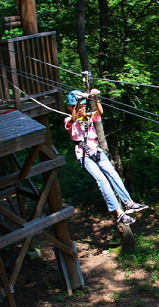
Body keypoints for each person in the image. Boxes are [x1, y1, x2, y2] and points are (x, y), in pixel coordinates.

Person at [64, 89, 148, 225]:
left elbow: (99, 113)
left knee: (113, 175)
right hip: (84, 155)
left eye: (83, 107)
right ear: (70, 108)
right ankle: (119, 213)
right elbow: (73, 119)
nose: (81, 109)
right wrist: (79, 100)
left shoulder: (86, 117)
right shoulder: (68, 120)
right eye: (78, 107)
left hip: (96, 151)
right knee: (102, 181)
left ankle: (129, 203)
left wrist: (95, 97)